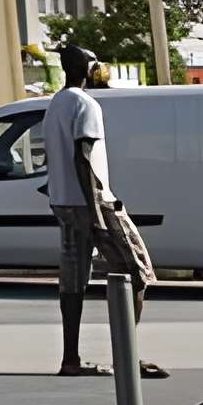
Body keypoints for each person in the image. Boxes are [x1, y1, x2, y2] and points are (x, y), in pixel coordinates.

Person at [48, 45, 166, 380]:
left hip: (65, 203)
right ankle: (128, 357)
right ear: (85, 68)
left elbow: (57, 157)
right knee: (136, 272)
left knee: (73, 280)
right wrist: (97, 213)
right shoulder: (85, 104)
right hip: (92, 202)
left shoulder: (56, 103)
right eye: (94, 63)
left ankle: (70, 359)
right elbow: (82, 158)